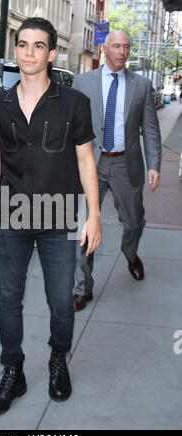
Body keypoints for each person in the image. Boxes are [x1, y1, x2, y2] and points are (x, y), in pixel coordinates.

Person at [0, 17, 102, 415]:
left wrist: (94, 215)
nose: (28, 53)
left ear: (51, 53)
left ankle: (57, 359)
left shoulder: (73, 103)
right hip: (13, 215)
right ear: (15, 49)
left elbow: (86, 161)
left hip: (61, 215)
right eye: (22, 44)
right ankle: (13, 371)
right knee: (8, 299)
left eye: (37, 46)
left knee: (61, 302)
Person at [72, 30, 162, 312]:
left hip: (127, 163)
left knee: (134, 222)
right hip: (91, 163)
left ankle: (130, 253)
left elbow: (150, 128)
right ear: (104, 49)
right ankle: (82, 288)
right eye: (116, 47)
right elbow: (71, 125)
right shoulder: (82, 82)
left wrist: (155, 164)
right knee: (84, 226)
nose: (122, 52)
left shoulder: (141, 85)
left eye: (126, 47)